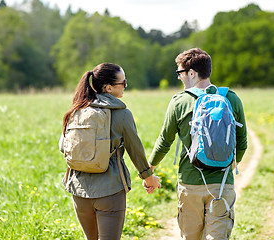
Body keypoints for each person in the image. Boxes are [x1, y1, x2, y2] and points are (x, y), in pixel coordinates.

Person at [145, 48, 247, 239]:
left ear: (191, 73)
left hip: (190, 183)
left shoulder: (179, 101)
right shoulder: (231, 98)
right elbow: (242, 142)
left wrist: (149, 171)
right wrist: (230, 166)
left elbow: (164, 142)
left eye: (179, 73)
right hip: (222, 182)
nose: (178, 78)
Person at [61, 62, 161, 240]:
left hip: (79, 191)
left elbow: (64, 146)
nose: (125, 86)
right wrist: (149, 178)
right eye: (123, 83)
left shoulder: (77, 109)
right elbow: (135, 149)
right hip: (110, 191)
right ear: (108, 87)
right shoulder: (122, 114)